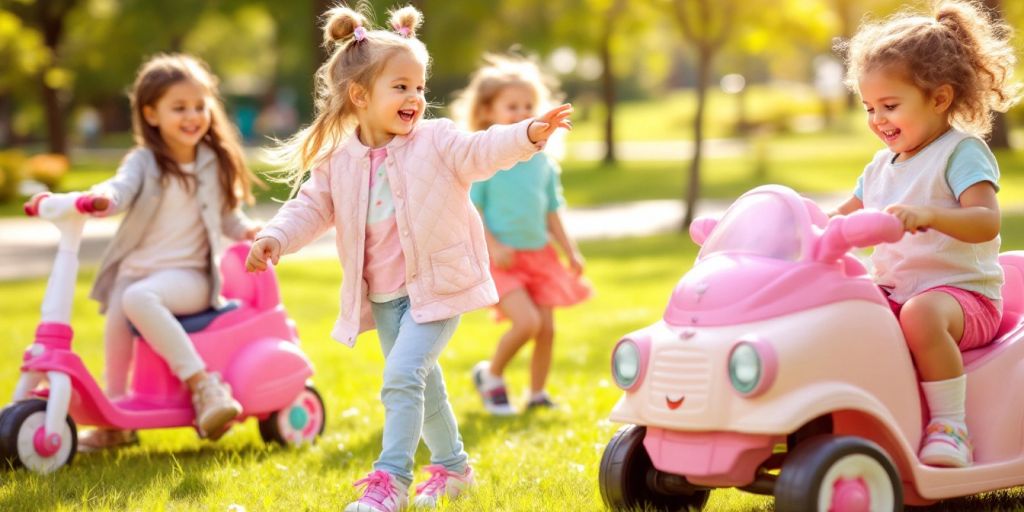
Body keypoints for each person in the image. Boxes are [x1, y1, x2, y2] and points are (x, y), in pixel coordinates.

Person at [244, 6, 572, 511]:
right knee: (426, 385)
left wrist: (529, 133)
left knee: (401, 378)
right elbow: (309, 206)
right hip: (387, 299)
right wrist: (275, 238)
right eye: (401, 87)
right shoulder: (338, 161)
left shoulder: (437, 143)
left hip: (438, 290)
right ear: (360, 95)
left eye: (419, 87)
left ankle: (390, 481)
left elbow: (483, 149)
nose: (415, 98)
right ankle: (456, 469)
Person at [834, 0, 1021, 467]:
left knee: (919, 315)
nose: (878, 119)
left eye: (890, 105)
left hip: (963, 301)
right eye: (869, 107)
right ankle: (866, 418)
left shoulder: (961, 153)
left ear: (939, 99)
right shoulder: (880, 167)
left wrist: (930, 215)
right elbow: (840, 218)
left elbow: (986, 221)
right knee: (846, 309)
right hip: (899, 293)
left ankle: (950, 426)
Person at [78, 54, 261, 450]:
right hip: (137, 275)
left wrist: (247, 229)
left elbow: (228, 217)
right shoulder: (144, 161)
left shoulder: (211, 162)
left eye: (200, 106)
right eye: (179, 108)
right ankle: (117, 416)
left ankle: (204, 386)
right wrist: (102, 198)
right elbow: (120, 187)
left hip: (193, 278)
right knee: (120, 313)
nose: (192, 115)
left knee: (135, 297)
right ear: (151, 113)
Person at [451, 54, 591, 415]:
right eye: (511, 106)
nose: (521, 111)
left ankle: (538, 393)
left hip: (540, 255)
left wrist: (570, 251)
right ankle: (491, 375)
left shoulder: (543, 162)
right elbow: (473, 209)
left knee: (545, 328)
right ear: (487, 112)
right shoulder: (486, 160)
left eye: (528, 105)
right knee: (526, 322)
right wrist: (493, 245)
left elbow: (551, 210)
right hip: (502, 258)